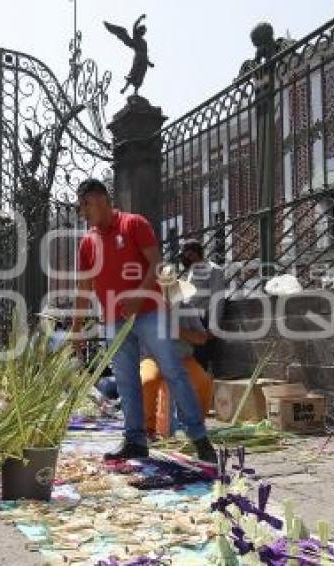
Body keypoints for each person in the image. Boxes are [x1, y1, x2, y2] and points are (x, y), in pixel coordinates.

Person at [71, 178, 217, 463]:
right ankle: (135, 441)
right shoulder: (87, 242)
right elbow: (84, 288)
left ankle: (200, 439)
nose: (83, 211)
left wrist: (138, 297)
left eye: (86, 204)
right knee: (126, 381)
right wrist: (76, 329)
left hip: (150, 312)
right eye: (80, 206)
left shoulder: (134, 224)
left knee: (174, 370)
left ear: (103, 200)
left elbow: (157, 263)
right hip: (114, 320)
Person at [141, 268, 213, 438]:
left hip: (183, 359)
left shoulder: (187, 308)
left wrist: (178, 331)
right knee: (146, 381)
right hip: (154, 358)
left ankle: (197, 427)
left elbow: (202, 338)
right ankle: (147, 429)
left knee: (204, 382)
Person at [180, 239, 226, 372]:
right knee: (189, 360)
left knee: (201, 360)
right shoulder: (191, 271)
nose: (185, 258)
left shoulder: (213, 269)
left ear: (194, 253)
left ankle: (203, 390)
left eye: (186, 254)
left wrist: (213, 327)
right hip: (189, 321)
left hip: (203, 321)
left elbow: (217, 299)